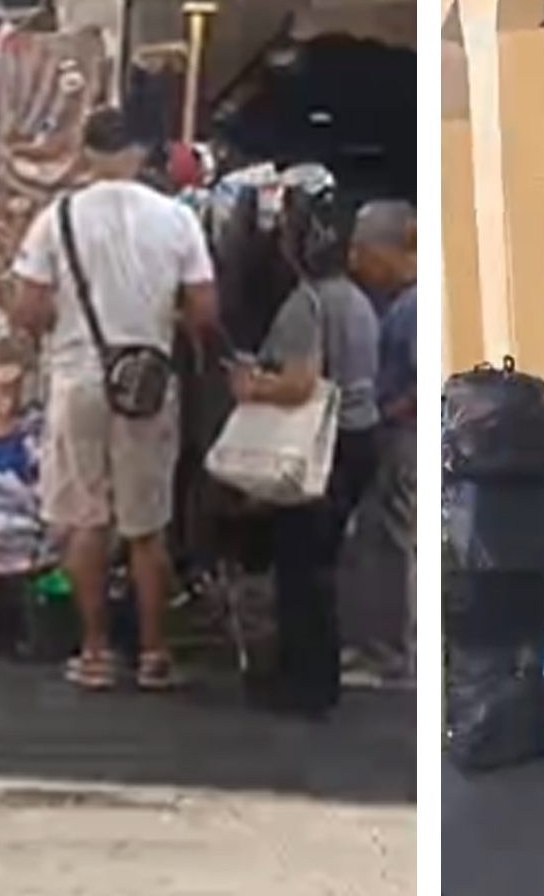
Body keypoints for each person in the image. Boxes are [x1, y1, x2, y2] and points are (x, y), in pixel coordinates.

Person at [11, 107, 220, 692]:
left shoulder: (57, 218)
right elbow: (205, 312)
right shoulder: (177, 219)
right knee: (146, 529)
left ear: (86, 154)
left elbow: (27, 309)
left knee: (86, 522)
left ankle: (96, 650)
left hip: (78, 378)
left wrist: (64, 321)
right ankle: (154, 655)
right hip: (147, 383)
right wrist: (158, 318)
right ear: (139, 153)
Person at [231, 184, 381, 718]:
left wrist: (249, 386)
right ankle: (319, 680)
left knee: (301, 568)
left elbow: (298, 384)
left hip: (319, 447)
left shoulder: (305, 305)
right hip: (356, 439)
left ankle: (303, 684)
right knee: (321, 566)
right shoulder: (356, 301)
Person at [345, 199, 417, 684]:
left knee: (399, 544)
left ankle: (397, 657)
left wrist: (386, 412)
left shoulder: (410, 308)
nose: (354, 263)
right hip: (398, 437)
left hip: (404, 441)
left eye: (360, 250)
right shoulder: (401, 304)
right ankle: (386, 650)